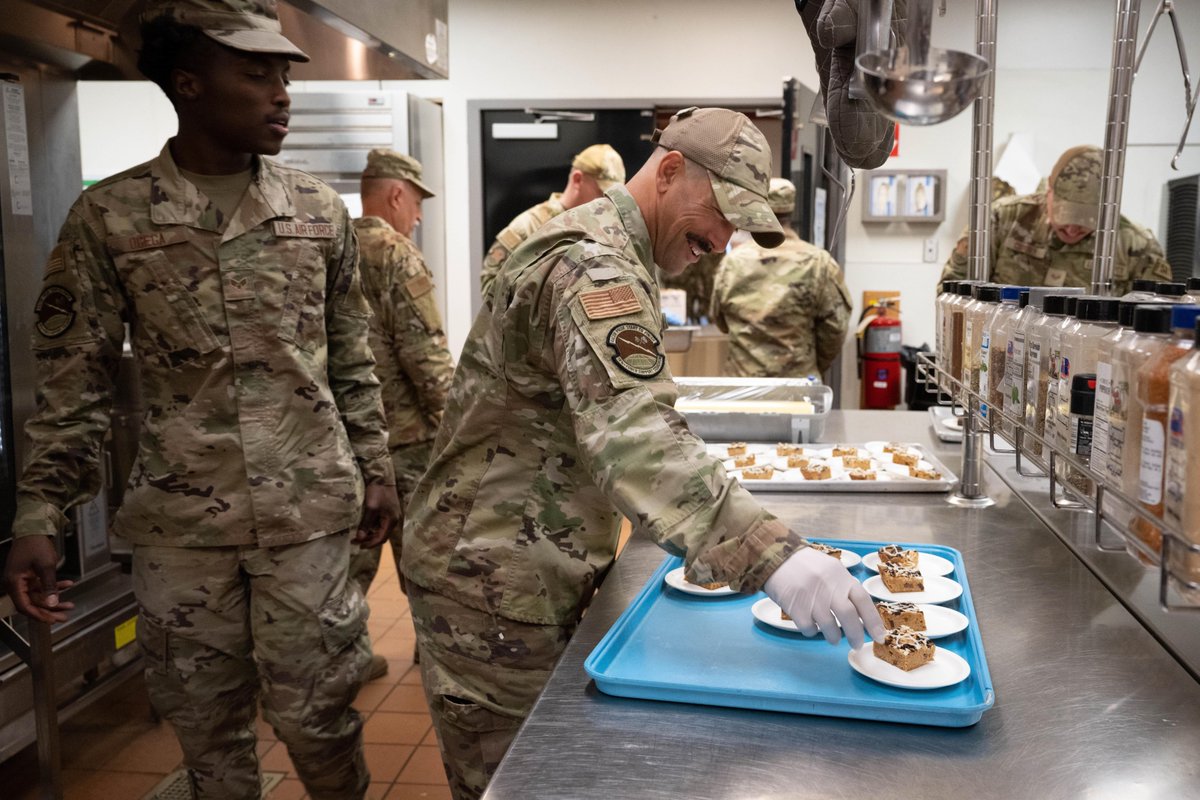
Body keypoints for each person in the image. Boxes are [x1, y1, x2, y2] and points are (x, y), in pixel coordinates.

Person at [401, 107, 887, 800]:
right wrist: (771, 553)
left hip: (528, 559)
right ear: (669, 170)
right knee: (517, 784)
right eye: (721, 214)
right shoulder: (595, 267)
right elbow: (633, 433)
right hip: (491, 581)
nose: (722, 241)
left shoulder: (614, 250)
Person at [2, 2, 401, 797]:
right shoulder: (110, 217)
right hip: (182, 529)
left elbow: (352, 357)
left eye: (284, 76)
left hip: (307, 518)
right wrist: (39, 514)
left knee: (320, 720)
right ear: (188, 84)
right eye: (255, 74)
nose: (281, 94)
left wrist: (378, 467)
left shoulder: (318, 212)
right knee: (209, 734)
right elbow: (74, 380)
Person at [350, 148, 456, 680]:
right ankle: (434, 658)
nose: (416, 217)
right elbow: (426, 356)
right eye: (416, 204)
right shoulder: (397, 254)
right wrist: (456, 430)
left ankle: (343, 660)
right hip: (407, 440)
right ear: (396, 195)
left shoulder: (332, 246)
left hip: (346, 438)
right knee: (424, 558)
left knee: (349, 562)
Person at [939, 145, 1172, 293]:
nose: (1071, 230)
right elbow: (951, 292)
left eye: (1085, 223)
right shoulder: (1001, 219)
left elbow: (1157, 329)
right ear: (1048, 191)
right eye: (1064, 218)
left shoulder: (1137, 247)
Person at [710, 177, 852, 378]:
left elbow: (720, 320)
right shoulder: (818, 263)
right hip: (798, 385)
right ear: (791, 210)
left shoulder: (733, 262)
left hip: (743, 385)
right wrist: (810, 365)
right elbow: (836, 328)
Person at [479, 143, 625, 300]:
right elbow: (490, 284)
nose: (607, 201)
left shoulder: (609, 228)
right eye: (601, 192)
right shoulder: (529, 226)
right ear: (577, 180)